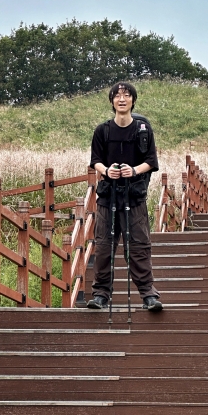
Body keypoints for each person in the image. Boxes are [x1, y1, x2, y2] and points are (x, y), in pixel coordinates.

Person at [88, 81, 162, 311]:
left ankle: (148, 295)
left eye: (127, 95)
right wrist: (107, 171)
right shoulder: (103, 130)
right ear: (112, 101)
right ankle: (100, 294)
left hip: (134, 197)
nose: (122, 99)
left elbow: (151, 161)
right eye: (117, 95)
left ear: (133, 100)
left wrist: (134, 171)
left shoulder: (143, 130)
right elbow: (95, 161)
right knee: (103, 246)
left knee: (139, 245)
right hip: (108, 197)